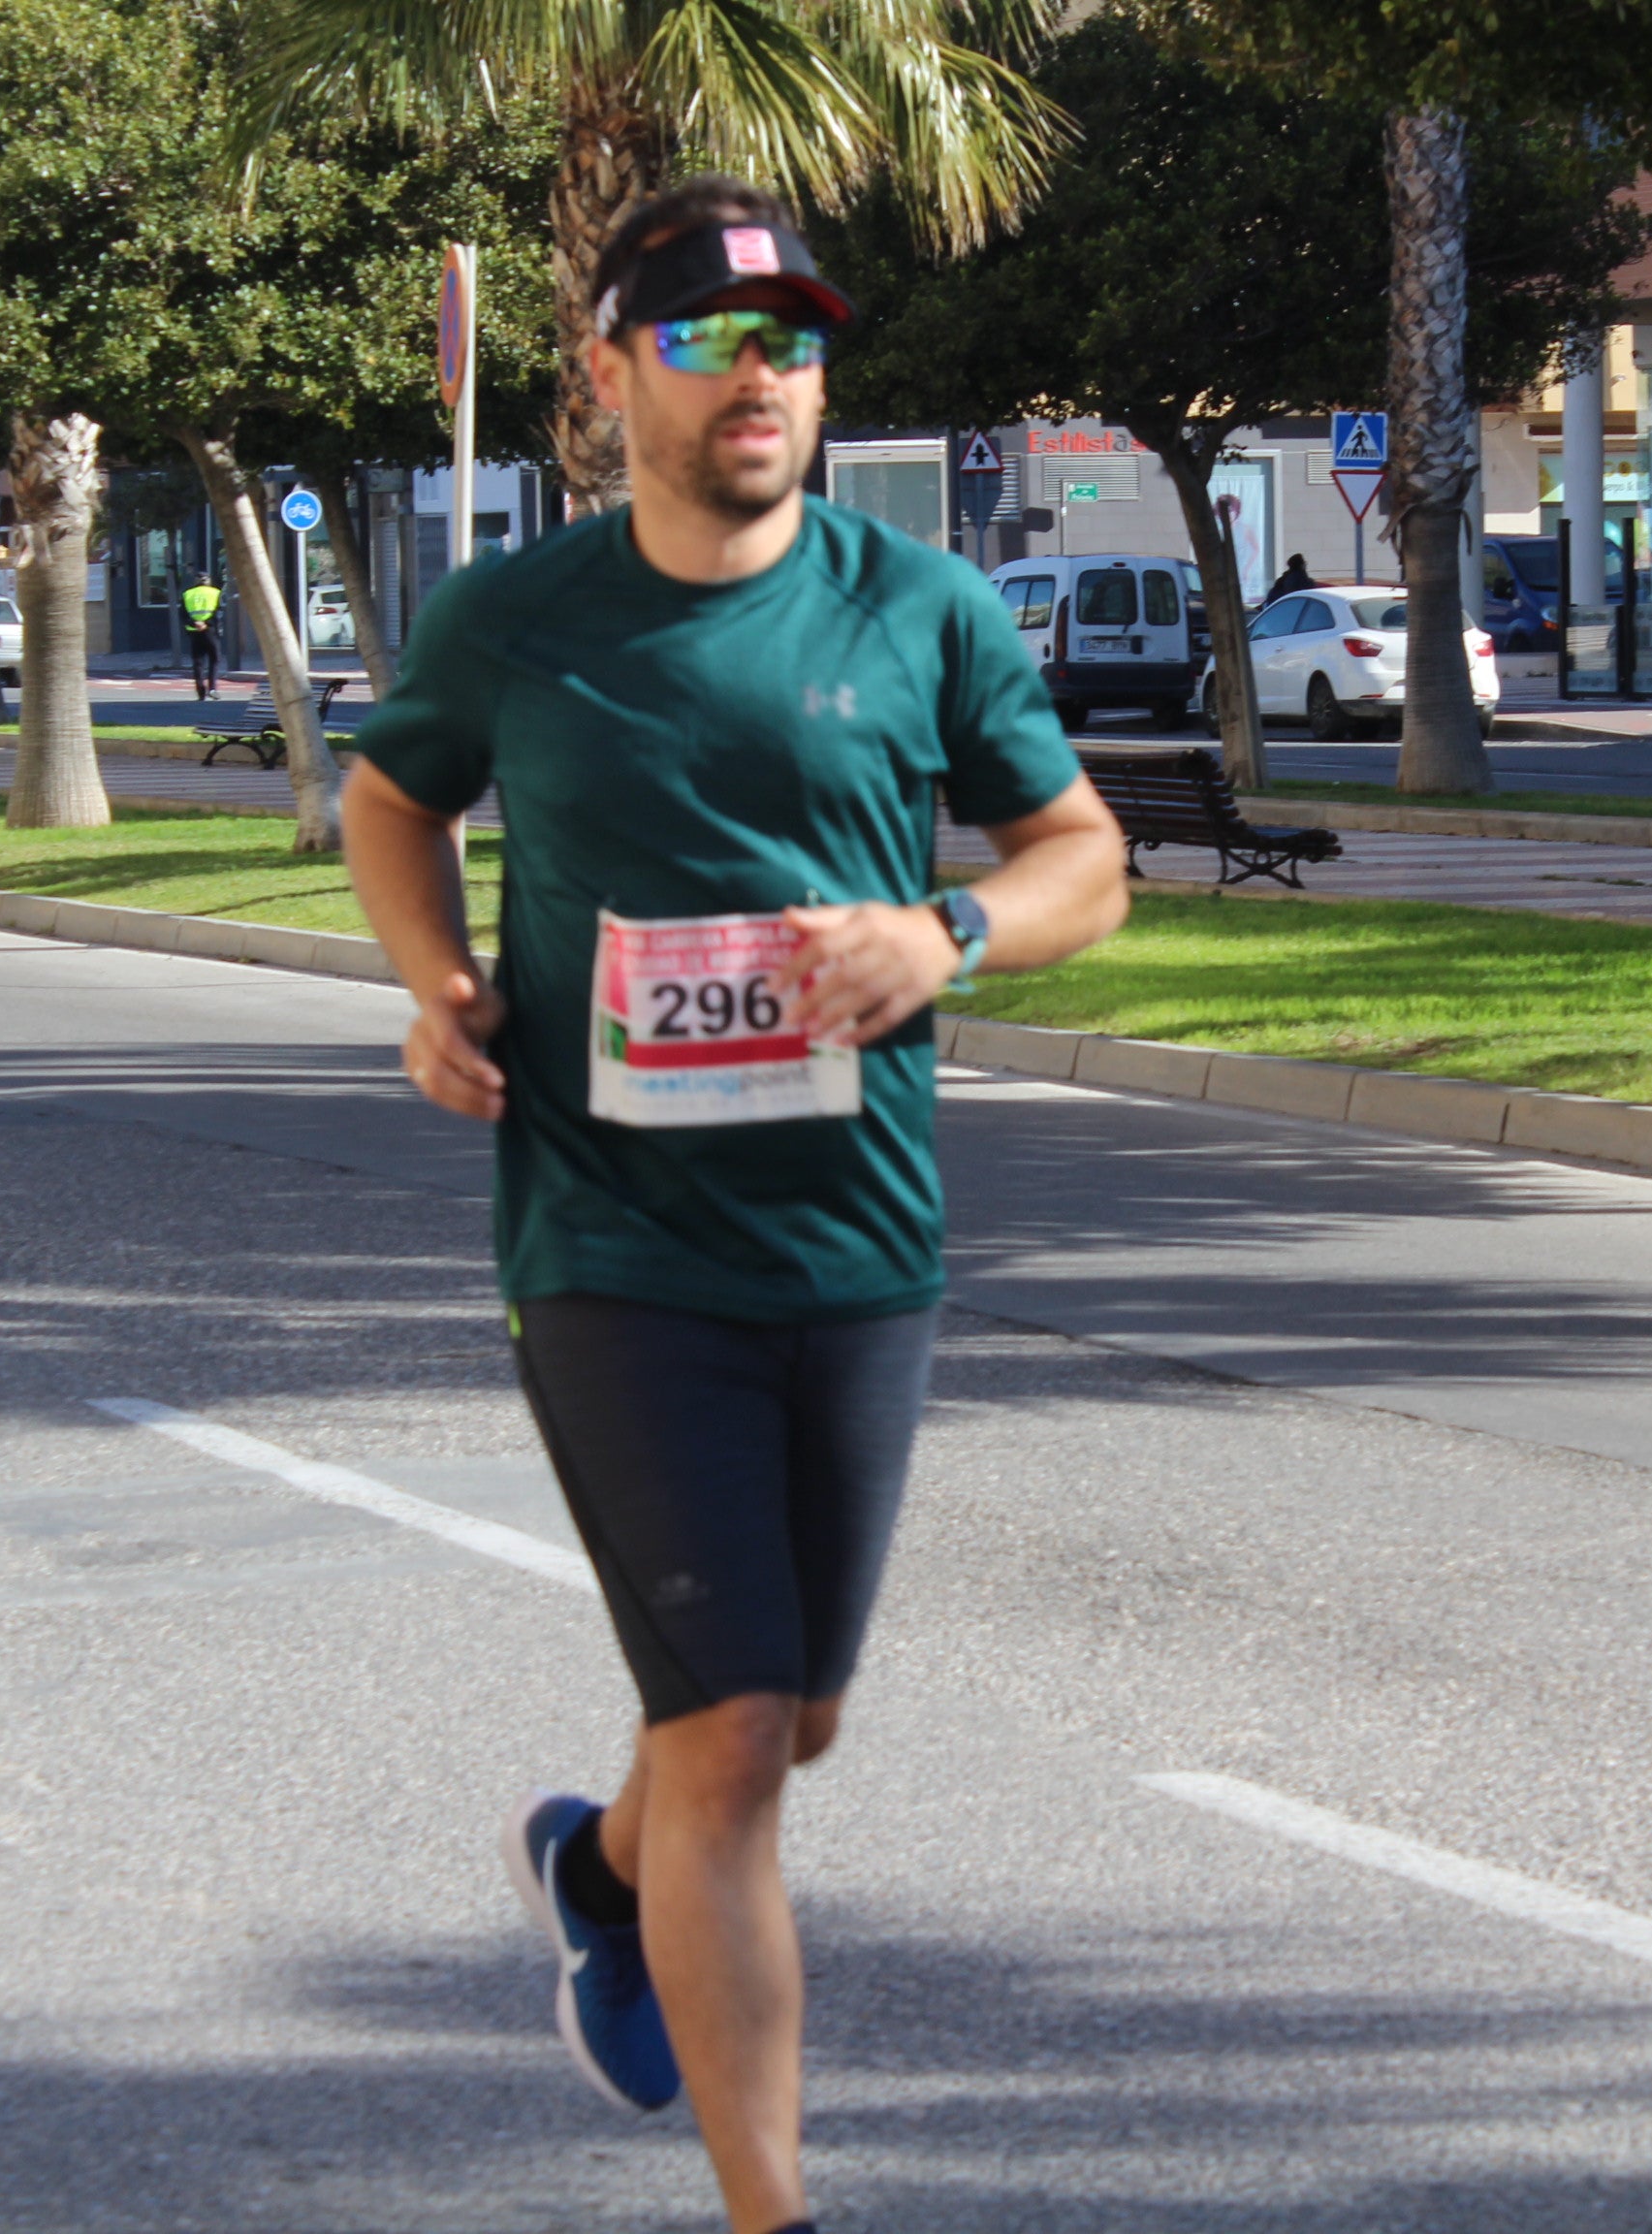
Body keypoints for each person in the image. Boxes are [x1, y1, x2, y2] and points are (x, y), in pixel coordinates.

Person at [339, 176, 1127, 2234]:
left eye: (786, 340)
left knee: (802, 1723)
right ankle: (774, 2209)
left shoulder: (921, 609)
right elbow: (392, 792)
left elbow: (1082, 853)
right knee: (740, 1724)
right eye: (700, 339)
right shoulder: (519, 621)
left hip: (861, 1243)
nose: (755, 375)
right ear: (611, 381)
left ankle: (596, 1874)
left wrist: (953, 932)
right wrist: (432, 979)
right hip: (611, 1249)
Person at [179, 574, 222, 697]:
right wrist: (206, 623)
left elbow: (183, 614)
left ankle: (200, 690)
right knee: (214, 659)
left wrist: (194, 623)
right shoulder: (216, 593)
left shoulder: (187, 594)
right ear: (208, 581)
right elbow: (218, 613)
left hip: (194, 631)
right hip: (210, 631)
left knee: (198, 661)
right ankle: (212, 688)